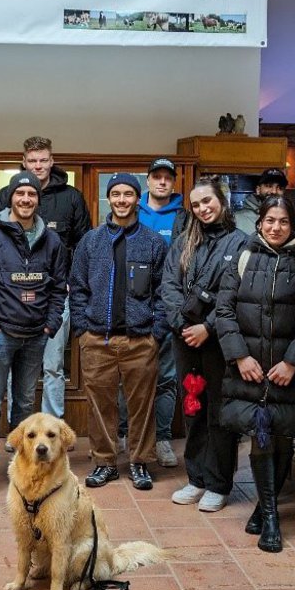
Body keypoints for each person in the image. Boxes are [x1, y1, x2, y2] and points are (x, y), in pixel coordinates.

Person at [216, 197, 295, 552]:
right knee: (260, 435)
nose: (276, 227)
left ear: (293, 226)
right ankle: (271, 517)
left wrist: (293, 362)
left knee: (281, 437)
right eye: (270, 220)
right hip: (250, 368)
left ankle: (264, 509)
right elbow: (224, 311)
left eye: (283, 222)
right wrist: (240, 356)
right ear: (259, 223)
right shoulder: (243, 258)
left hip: (286, 371)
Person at [0, 172, 67, 504]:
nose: (25, 199)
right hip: (0, 335)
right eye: (20, 194)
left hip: (36, 336)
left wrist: (50, 324)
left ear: (38, 200)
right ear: (11, 198)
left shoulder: (51, 240)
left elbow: (58, 287)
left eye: (31, 194)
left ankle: (24, 472)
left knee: (24, 405)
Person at [70, 173, 167, 491]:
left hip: (140, 340)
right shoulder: (91, 241)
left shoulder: (153, 242)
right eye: (116, 194)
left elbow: (163, 292)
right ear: (108, 198)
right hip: (98, 339)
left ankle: (139, 462)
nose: (122, 200)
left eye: (128, 194)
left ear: (137, 199)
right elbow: (78, 287)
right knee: (100, 405)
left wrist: (156, 332)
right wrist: (83, 330)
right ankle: (105, 463)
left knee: (142, 406)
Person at [0, 137, 91, 419]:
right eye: (32, 161)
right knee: (14, 367)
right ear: (23, 162)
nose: (38, 166)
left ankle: (53, 427)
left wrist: (70, 281)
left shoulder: (71, 197)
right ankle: (19, 429)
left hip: (56, 296)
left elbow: (85, 245)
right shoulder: (4, 195)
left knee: (53, 365)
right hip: (11, 299)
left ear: (52, 161)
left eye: (43, 160)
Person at [161, 177, 247, 511]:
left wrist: (207, 327)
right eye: (196, 205)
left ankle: (218, 483)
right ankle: (196, 478)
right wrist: (184, 326)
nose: (202, 209)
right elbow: (169, 285)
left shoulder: (241, 243)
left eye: (207, 201)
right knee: (193, 407)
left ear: (221, 201)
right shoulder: (184, 242)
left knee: (219, 411)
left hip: (219, 341)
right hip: (185, 339)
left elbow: (235, 294)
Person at [133, 157, 186, 468]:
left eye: (168, 177)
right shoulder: (132, 211)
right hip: (134, 309)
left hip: (170, 308)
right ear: (148, 180)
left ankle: (163, 438)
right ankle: (126, 435)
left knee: (166, 378)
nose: (162, 181)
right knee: (130, 377)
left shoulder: (184, 218)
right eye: (157, 176)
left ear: (173, 182)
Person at [233, 167, 288, 235]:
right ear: (258, 190)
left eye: (280, 188)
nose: (274, 191)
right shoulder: (237, 218)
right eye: (269, 186)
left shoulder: (288, 219)